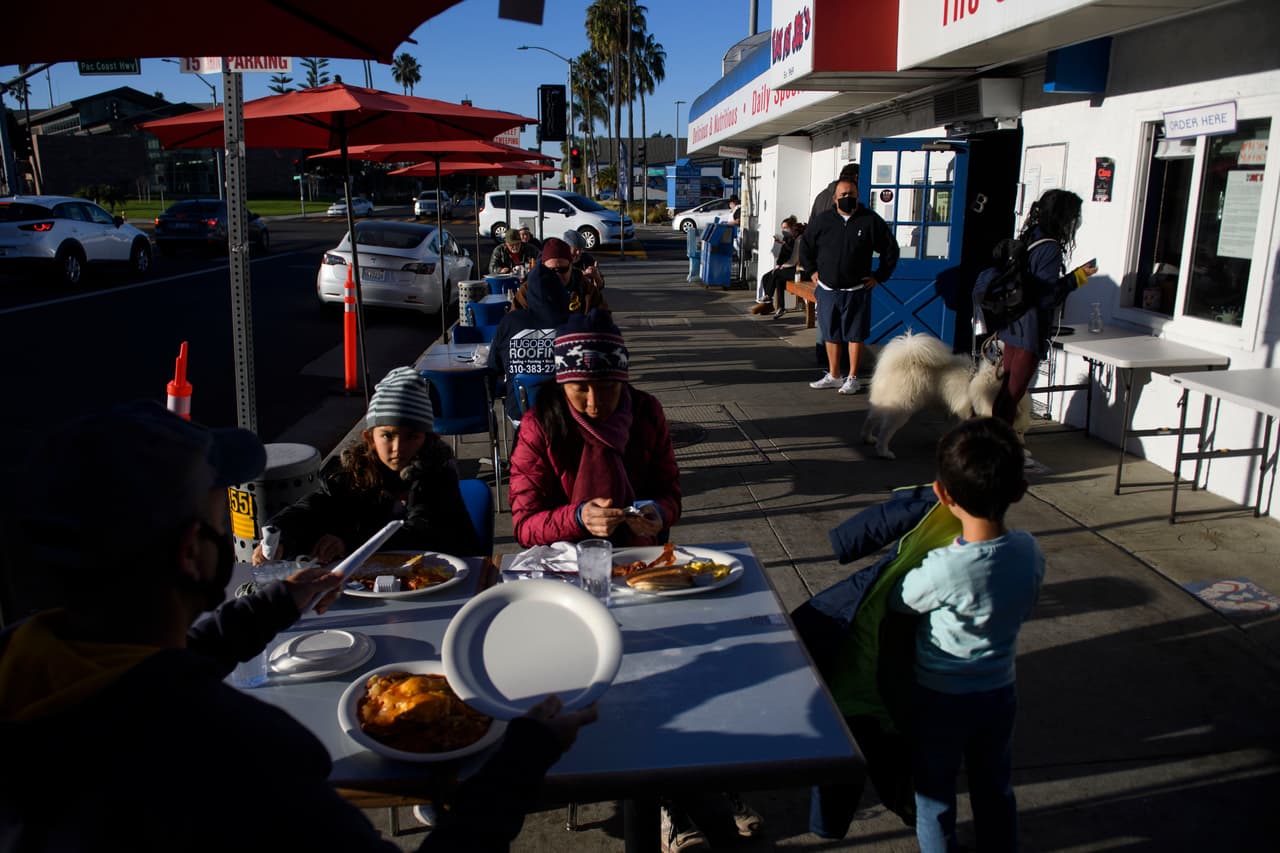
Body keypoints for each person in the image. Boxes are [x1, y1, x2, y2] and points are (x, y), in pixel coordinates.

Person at [0, 401, 598, 851]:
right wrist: (522, 759)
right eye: (218, 502)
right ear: (192, 553)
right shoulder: (243, 752)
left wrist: (267, 607)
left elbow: (139, 682)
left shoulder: (30, 671)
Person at [891, 417, 1043, 852]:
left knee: (934, 796)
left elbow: (903, 601)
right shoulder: (1029, 551)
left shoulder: (944, 568)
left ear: (942, 494)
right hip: (999, 692)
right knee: (994, 786)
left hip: (938, 697)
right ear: (1019, 490)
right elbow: (1028, 600)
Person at [251, 366, 479, 564]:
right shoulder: (351, 476)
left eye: (412, 436)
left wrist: (349, 543)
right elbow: (315, 508)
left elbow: (423, 533)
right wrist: (283, 535)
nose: (398, 447)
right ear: (369, 438)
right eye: (388, 436)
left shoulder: (437, 474)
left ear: (427, 438)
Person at [508, 311, 680, 549]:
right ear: (563, 383)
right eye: (580, 389)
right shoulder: (539, 425)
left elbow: (669, 491)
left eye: (608, 388)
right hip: (565, 560)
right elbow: (525, 526)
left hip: (637, 556)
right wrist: (578, 517)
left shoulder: (646, 413)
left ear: (623, 381)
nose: (594, 403)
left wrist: (659, 511)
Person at [991, 189, 1096, 443]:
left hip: (1012, 323)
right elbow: (1047, 295)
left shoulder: (1030, 236)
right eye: (1074, 216)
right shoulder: (1050, 249)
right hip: (1030, 328)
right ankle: (995, 448)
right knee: (1012, 395)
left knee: (1006, 393)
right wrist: (1079, 277)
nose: (1076, 222)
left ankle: (993, 443)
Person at [799, 176, 899, 395]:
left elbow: (891, 250)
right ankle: (834, 375)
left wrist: (879, 276)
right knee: (830, 333)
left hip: (856, 291)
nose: (847, 198)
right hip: (827, 290)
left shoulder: (870, 221)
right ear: (835, 199)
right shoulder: (823, 221)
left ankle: (852, 377)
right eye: (843, 195)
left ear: (858, 196)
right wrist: (812, 271)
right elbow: (806, 246)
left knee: (855, 334)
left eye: (851, 195)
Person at [488, 238, 603, 423]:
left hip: (529, 415)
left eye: (562, 270)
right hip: (558, 413)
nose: (556, 276)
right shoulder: (527, 293)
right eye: (550, 271)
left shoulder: (585, 290)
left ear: (572, 266)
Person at [752, 216, 804, 318]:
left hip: (797, 269)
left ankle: (769, 298)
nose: (783, 230)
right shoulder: (787, 239)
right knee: (767, 277)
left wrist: (782, 266)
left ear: (792, 228)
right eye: (782, 228)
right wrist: (779, 264)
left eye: (785, 228)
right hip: (788, 266)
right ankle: (776, 306)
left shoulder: (799, 239)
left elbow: (794, 258)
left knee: (776, 275)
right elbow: (782, 256)